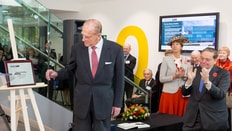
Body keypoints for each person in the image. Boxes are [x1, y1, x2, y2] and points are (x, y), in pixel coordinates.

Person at [46, 19, 124, 131]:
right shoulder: (77, 48)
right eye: (83, 35)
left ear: (98, 35)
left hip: (104, 102)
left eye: (87, 37)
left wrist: (117, 103)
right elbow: (70, 69)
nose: (83, 39)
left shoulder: (115, 49)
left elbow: (119, 79)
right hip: (82, 102)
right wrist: (56, 74)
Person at [182, 47, 230, 131]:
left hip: (213, 120)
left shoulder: (223, 73)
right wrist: (189, 81)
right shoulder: (194, 70)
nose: (203, 61)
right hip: (192, 120)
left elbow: (221, 94)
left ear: (215, 60)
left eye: (207, 59)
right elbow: (184, 93)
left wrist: (207, 82)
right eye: (202, 58)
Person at [158, 35, 191, 116]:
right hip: (169, 93)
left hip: (183, 92)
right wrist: (174, 76)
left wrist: (184, 75)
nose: (174, 46)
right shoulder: (166, 59)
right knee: (168, 117)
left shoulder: (187, 59)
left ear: (181, 47)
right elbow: (161, 79)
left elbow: (189, 77)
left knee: (181, 117)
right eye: (173, 44)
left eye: (177, 44)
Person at [215, 46, 232, 131]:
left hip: (227, 91)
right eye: (220, 52)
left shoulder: (231, 65)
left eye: (223, 53)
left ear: (227, 54)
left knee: (226, 111)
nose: (221, 54)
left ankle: (227, 128)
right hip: (215, 90)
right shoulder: (215, 64)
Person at [120, 43, 136, 115]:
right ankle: (121, 113)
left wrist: (123, 63)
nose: (125, 50)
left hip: (129, 82)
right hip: (120, 81)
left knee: (129, 98)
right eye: (124, 48)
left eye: (126, 49)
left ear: (130, 49)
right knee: (120, 98)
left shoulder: (133, 58)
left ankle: (130, 113)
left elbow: (130, 68)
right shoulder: (119, 57)